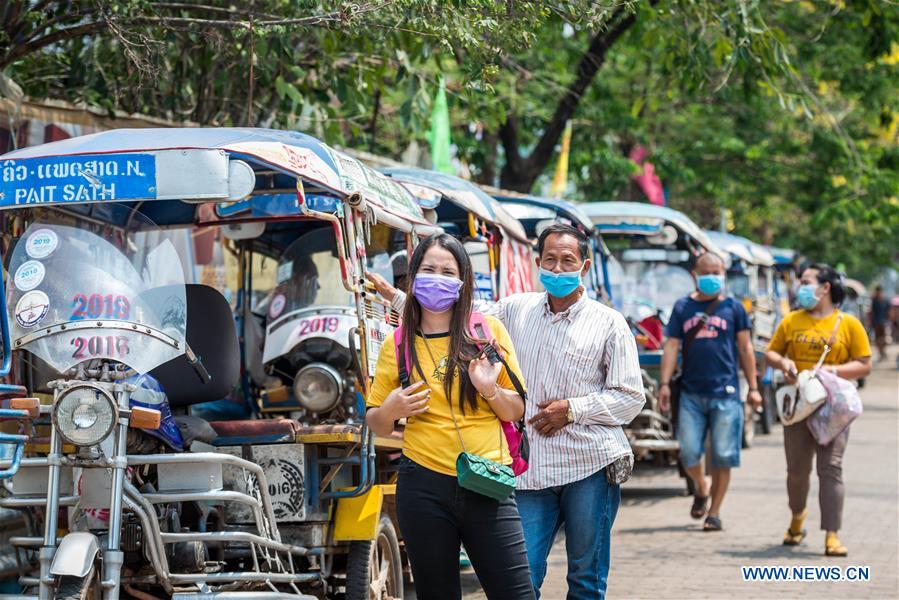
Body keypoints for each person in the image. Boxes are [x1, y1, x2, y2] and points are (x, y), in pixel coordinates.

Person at [370, 224, 645, 599]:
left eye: (568, 261)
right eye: (550, 259)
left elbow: (631, 397)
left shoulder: (608, 323)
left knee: (584, 579)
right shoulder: (516, 309)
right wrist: (400, 300)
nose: (558, 268)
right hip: (529, 472)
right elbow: (453, 315)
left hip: (588, 464)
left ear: (584, 265)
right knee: (523, 580)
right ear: (538, 263)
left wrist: (573, 410)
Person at [365, 233, 534, 599]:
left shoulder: (487, 333)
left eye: (447, 270)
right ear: (412, 278)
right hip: (422, 485)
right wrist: (391, 409)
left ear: (462, 281)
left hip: (487, 482)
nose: (437, 278)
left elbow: (517, 409)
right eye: (428, 269)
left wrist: (489, 390)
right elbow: (376, 422)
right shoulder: (397, 343)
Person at [766, 263, 871, 557]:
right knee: (797, 472)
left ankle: (832, 535)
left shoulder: (849, 324)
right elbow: (772, 352)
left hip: (834, 407)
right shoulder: (791, 321)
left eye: (807, 281)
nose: (802, 286)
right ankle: (797, 517)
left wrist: (832, 370)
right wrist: (784, 363)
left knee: (831, 469)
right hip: (799, 405)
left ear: (825, 287)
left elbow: (864, 363)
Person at [658, 253, 761, 531]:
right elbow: (671, 346)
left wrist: (753, 387)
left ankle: (714, 513)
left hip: (726, 393)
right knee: (689, 453)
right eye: (707, 271)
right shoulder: (683, 308)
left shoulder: (734, 308)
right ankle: (701, 487)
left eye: (718, 272)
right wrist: (664, 384)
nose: (713, 276)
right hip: (691, 392)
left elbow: (746, 348)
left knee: (723, 455)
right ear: (695, 274)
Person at [869, 285, 889, 362]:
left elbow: (888, 311)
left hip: (883, 322)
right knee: (878, 339)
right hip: (877, 323)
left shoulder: (884, 300)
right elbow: (872, 312)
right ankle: (881, 352)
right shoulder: (874, 300)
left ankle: (883, 351)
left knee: (884, 338)